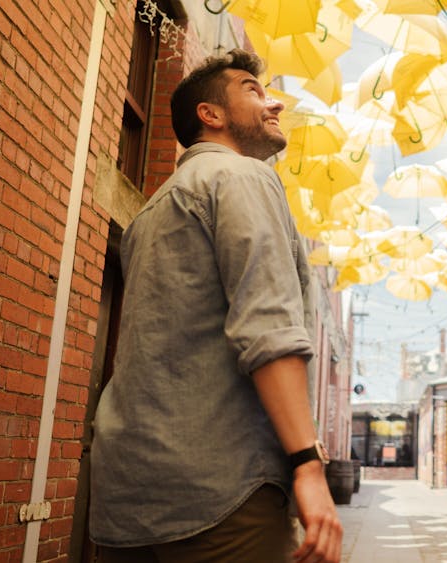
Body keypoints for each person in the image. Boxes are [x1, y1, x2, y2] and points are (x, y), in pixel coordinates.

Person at [89, 49, 341, 563]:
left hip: (127, 497)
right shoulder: (242, 177)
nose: (275, 104)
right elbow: (268, 329)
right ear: (211, 114)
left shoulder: (150, 213)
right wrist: (308, 464)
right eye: (253, 90)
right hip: (223, 493)